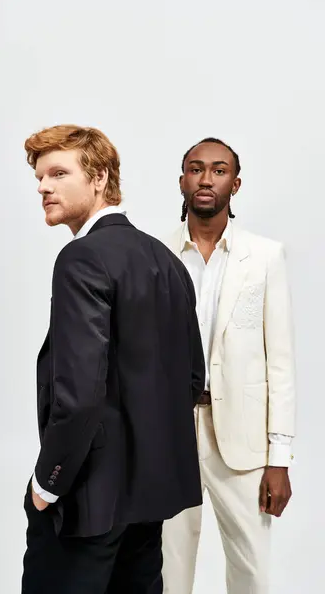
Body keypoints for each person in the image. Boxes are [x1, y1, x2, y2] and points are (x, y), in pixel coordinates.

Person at [21, 124, 205, 594]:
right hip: (149, 500)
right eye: (40, 177)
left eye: (58, 173)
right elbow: (191, 378)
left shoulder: (81, 258)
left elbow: (80, 396)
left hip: (87, 501)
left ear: (99, 177)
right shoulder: (168, 260)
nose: (43, 186)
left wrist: (48, 483)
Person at [161, 138, 296, 594]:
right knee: (168, 563)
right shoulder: (156, 254)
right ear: (182, 180)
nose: (206, 178)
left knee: (250, 568)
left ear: (234, 184)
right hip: (170, 434)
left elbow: (280, 364)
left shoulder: (264, 256)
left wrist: (279, 459)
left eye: (218, 170)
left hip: (242, 441)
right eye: (196, 169)